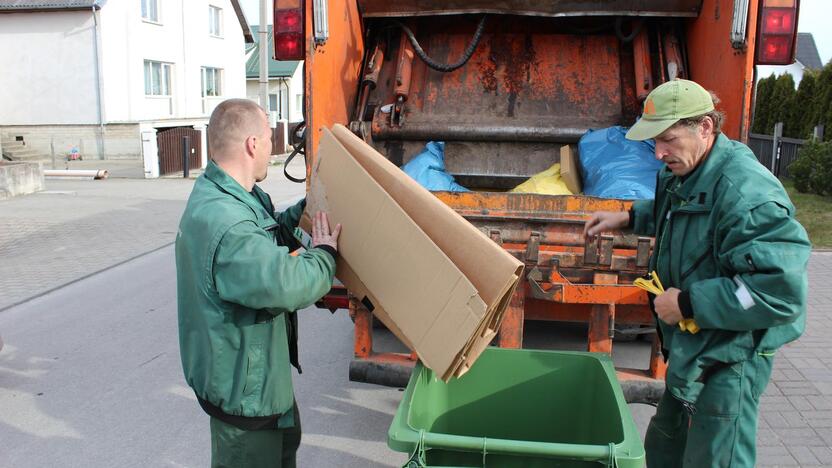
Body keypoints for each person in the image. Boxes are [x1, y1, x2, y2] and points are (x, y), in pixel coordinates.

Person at [583, 79, 810, 467]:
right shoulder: (687, 170)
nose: (658, 153)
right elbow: (681, 208)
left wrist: (688, 303)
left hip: (730, 359)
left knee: (715, 457)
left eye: (668, 139)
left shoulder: (748, 196)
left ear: (705, 127)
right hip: (694, 351)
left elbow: (777, 292)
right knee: (664, 449)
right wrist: (628, 216)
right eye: (653, 141)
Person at [175, 99, 340, 467]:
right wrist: (326, 254)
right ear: (252, 144)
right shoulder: (228, 223)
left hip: (256, 383)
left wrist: (307, 211)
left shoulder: (231, 196)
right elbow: (288, 284)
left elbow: (268, 234)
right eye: (268, 138)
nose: (272, 146)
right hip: (246, 397)